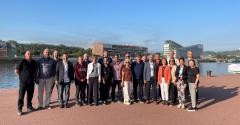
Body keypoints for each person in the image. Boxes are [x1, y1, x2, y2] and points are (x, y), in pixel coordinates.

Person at [15, 50, 37, 116]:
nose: (29, 55)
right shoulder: (22, 61)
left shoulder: (33, 62)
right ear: (25, 55)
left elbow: (35, 71)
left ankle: (29, 107)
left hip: (31, 82)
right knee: (21, 96)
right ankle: (19, 109)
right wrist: (21, 77)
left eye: (30, 54)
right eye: (27, 54)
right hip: (23, 82)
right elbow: (16, 71)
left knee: (30, 95)